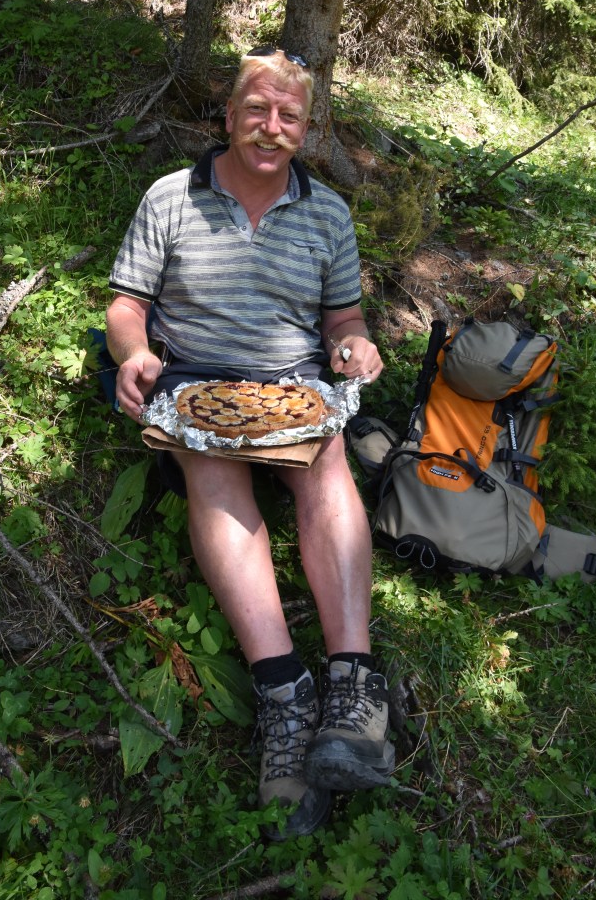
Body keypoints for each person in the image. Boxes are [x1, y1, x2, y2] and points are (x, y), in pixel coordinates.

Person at [106, 47, 395, 839]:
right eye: (256, 111)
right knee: (210, 461)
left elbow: (342, 318)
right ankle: (283, 694)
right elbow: (127, 304)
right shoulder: (170, 196)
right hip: (192, 376)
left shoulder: (328, 213)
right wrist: (133, 354)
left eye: (288, 116)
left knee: (327, 457)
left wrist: (352, 345)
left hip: (290, 380)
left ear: (307, 129)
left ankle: (352, 687)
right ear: (229, 116)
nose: (271, 128)